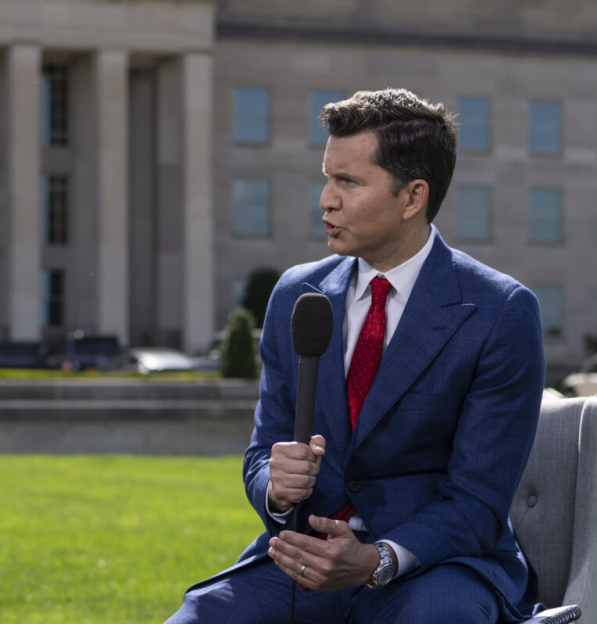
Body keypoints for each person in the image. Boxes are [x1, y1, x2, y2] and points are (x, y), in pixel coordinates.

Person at [164, 89, 546, 623]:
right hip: (302, 563)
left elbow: (477, 503)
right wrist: (275, 488)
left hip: (436, 567)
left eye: (348, 182)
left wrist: (377, 559)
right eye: (327, 176)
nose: (325, 199)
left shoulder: (500, 311)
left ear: (412, 197)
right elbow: (260, 453)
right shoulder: (296, 294)